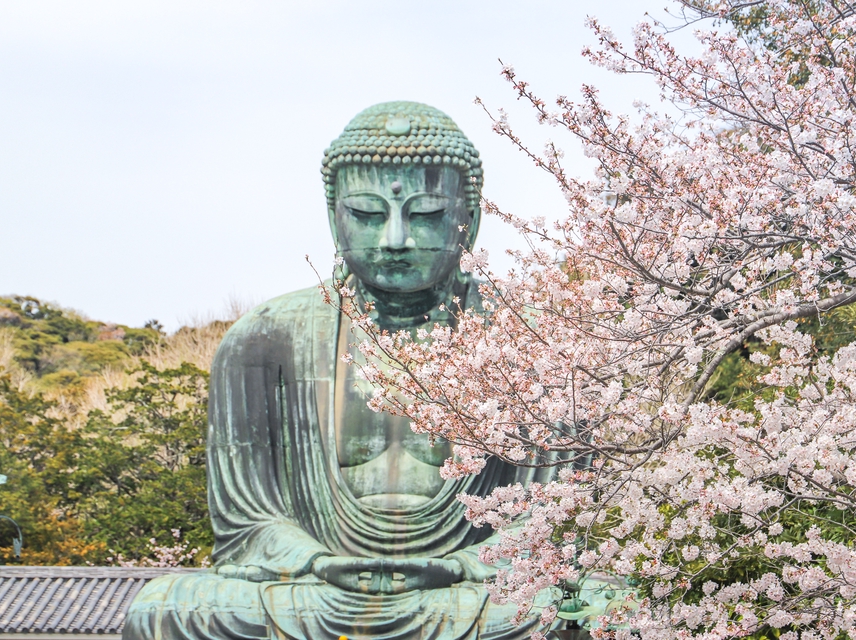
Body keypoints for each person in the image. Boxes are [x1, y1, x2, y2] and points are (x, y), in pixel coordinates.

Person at [122, 102, 551, 640]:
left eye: (425, 215)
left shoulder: (539, 340)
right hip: (318, 589)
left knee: (597, 608)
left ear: (471, 218)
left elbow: (549, 528)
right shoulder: (264, 338)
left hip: (468, 591)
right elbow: (246, 528)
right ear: (333, 217)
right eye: (369, 215)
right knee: (163, 609)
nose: (395, 240)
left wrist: (461, 566)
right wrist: (316, 562)